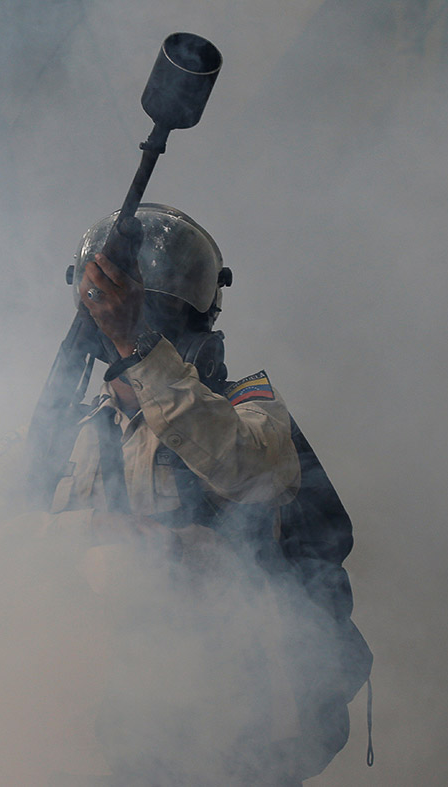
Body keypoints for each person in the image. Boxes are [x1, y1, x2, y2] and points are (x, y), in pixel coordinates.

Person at [36, 204, 320, 786]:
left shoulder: (249, 409)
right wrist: (87, 532)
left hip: (224, 733)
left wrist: (137, 346)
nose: (131, 332)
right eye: (120, 320)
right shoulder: (63, 434)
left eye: (155, 321)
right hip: (90, 730)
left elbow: (253, 472)